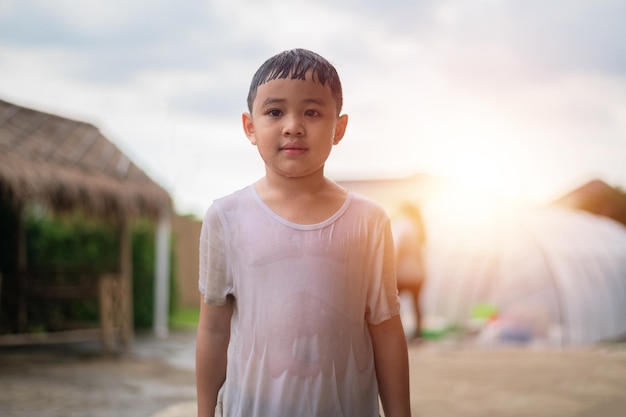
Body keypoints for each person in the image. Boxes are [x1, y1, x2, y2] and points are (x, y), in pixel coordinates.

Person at [195, 48, 411, 417]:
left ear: (338, 128)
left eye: (312, 112)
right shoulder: (225, 218)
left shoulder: (369, 221)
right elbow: (214, 330)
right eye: (275, 112)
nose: (293, 125)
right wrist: (203, 413)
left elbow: (386, 331)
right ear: (250, 127)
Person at [392, 202, 426, 339]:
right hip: (418, 273)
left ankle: (397, 333)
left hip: (403, 273)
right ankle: (418, 332)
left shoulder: (403, 225)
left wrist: (391, 269)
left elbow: (397, 249)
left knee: (393, 304)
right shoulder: (419, 227)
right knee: (416, 303)